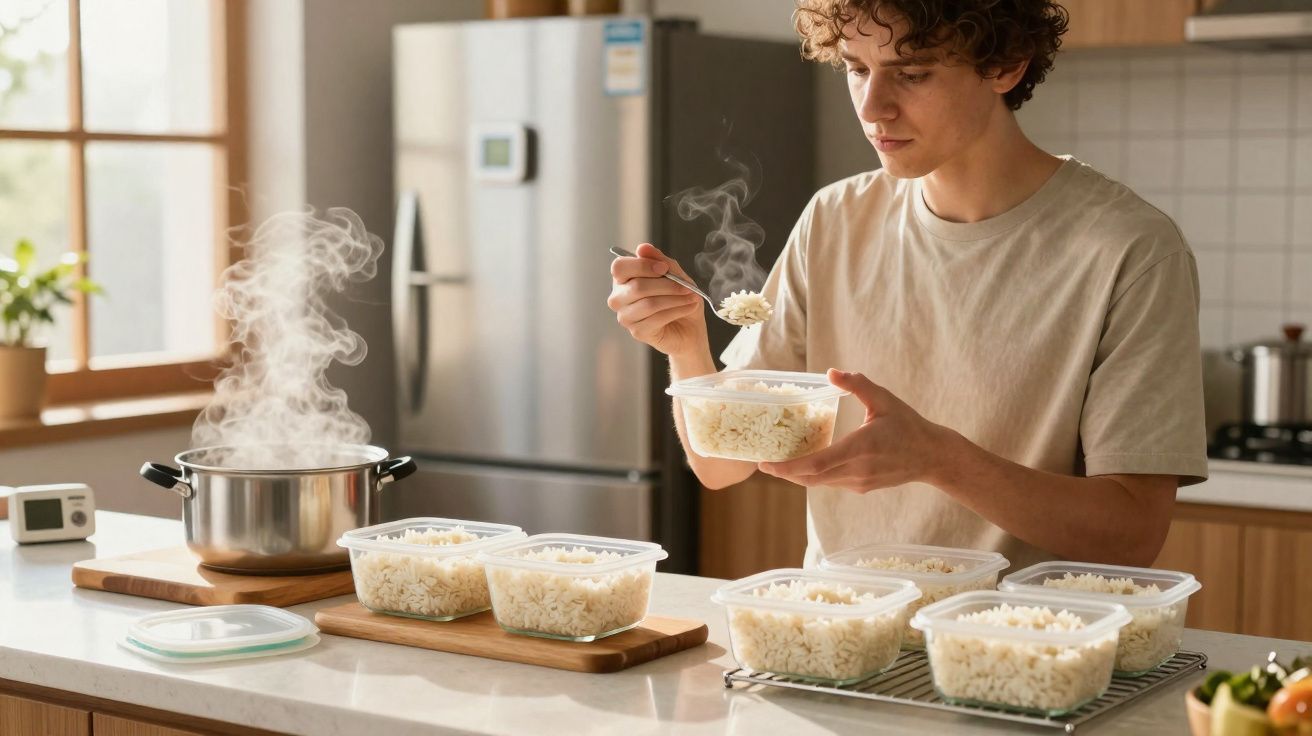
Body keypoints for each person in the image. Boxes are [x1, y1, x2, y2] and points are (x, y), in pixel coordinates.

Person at [606, 0, 1207, 571]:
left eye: (911, 73)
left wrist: (940, 460)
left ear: (1005, 65)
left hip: (1017, 651)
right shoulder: (835, 218)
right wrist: (687, 347)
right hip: (840, 635)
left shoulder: (1131, 248)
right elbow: (722, 467)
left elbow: (1132, 536)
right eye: (856, 68)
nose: (872, 107)